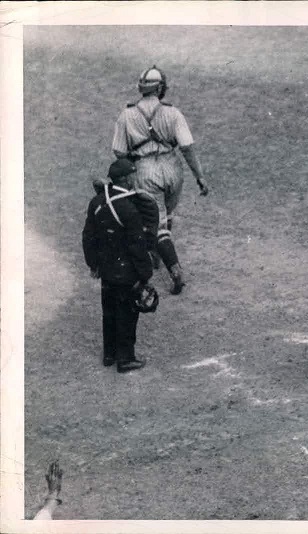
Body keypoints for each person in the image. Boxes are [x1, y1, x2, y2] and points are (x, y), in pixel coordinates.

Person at [111, 65, 210, 294]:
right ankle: (157, 252)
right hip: (173, 168)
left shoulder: (127, 114)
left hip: (145, 170)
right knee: (168, 212)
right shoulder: (173, 112)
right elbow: (187, 147)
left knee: (157, 223)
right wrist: (200, 177)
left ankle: (174, 270)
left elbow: (118, 151)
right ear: (161, 88)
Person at [82, 158, 155, 373]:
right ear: (125, 178)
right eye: (133, 175)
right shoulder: (129, 208)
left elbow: (88, 237)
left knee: (109, 311)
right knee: (127, 313)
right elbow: (138, 245)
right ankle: (125, 359)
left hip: (106, 269)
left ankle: (109, 354)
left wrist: (93, 264)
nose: (135, 178)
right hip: (127, 272)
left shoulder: (97, 202)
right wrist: (145, 273)